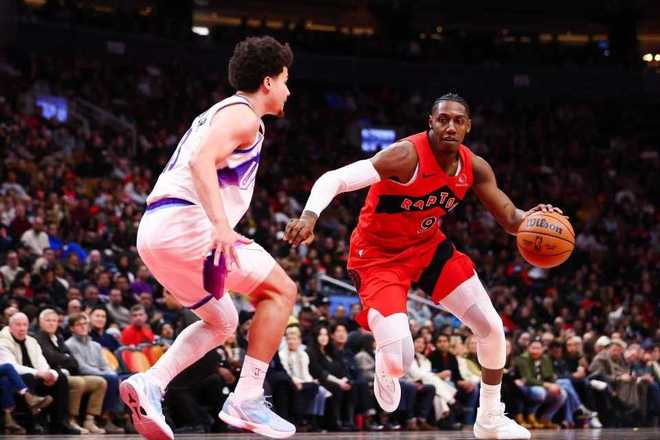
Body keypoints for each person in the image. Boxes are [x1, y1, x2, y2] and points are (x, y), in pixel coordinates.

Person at [286, 93, 565, 439]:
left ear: (468, 126)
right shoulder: (404, 156)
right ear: (430, 122)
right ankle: (385, 359)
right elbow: (336, 178)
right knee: (399, 361)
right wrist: (309, 216)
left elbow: (510, 218)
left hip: (427, 248)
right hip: (378, 257)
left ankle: (490, 417)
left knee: (492, 327)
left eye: (458, 120)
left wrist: (535, 220)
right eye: (443, 119)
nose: (450, 126)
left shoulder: (474, 166)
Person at [119, 35, 297, 439]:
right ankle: (247, 397)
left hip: (155, 234)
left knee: (222, 321)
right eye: (286, 81)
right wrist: (220, 226)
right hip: (186, 226)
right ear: (268, 82)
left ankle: (151, 383)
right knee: (281, 291)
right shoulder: (243, 116)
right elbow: (201, 161)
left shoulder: (219, 113)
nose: (289, 91)